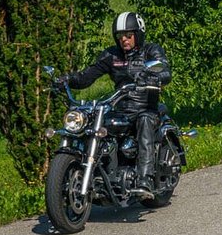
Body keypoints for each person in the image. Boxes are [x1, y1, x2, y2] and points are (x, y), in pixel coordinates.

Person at [65, 11, 171, 198]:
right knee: (93, 123)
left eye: (128, 35)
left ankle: (145, 179)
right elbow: (86, 77)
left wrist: (153, 77)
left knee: (145, 121)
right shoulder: (111, 55)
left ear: (138, 34)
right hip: (119, 108)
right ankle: (100, 174)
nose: (124, 40)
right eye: (120, 36)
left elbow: (165, 71)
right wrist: (66, 80)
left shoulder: (151, 50)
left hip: (145, 107)